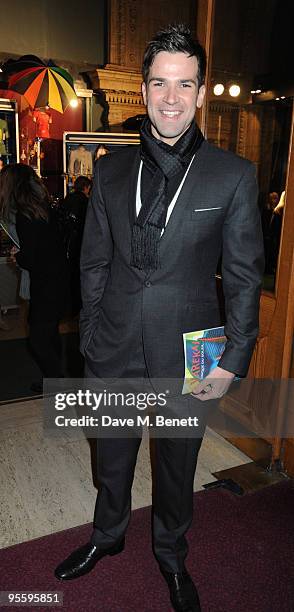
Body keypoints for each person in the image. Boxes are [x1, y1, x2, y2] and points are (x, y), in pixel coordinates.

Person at [55, 24, 264, 611]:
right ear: (145, 91)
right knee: (112, 456)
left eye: (184, 85)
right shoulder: (113, 171)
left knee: (177, 465)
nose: (171, 98)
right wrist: (92, 333)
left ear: (200, 95)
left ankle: (171, 554)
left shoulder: (233, 176)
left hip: (192, 351)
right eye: (159, 84)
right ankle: (108, 536)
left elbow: (245, 277)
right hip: (114, 345)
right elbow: (93, 262)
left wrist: (234, 357)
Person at [0, 164, 69, 385]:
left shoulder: (25, 214)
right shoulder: (43, 206)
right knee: (49, 334)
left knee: (38, 340)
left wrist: (16, 255)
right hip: (58, 279)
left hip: (45, 285)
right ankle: (56, 376)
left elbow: (30, 258)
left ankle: (56, 381)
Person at [62, 175, 92, 314]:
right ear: (86, 187)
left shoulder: (68, 199)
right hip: (79, 243)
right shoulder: (85, 202)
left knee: (69, 275)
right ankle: (77, 306)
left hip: (67, 242)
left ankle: (69, 305)